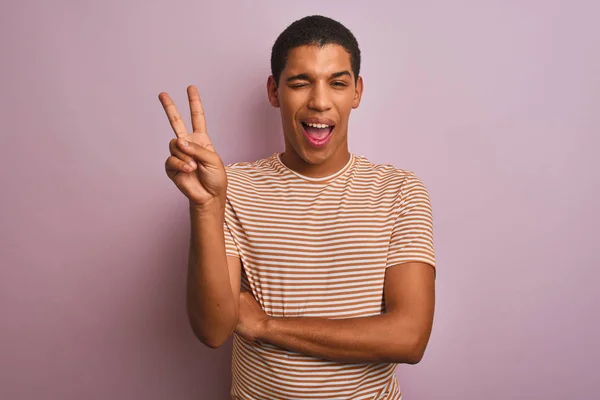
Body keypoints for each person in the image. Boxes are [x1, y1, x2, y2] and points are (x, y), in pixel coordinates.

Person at [160, 15, 435, 400]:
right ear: (274, 91)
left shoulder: (400, 191)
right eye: (300, 82)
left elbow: (409, 338)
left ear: (356, 92)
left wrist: (268, 326)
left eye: (337, 83)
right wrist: (206, 205)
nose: (320, 101)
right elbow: (212, 330)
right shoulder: (231, 186)